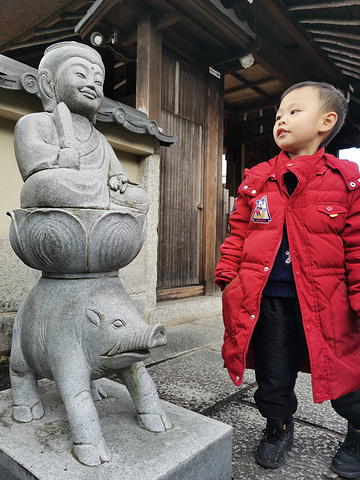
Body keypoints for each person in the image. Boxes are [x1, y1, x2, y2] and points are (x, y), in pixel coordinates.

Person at [214, 81, 360, 478]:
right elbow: (238, 233)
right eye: (279, 113)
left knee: (345, 370)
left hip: (329, 300)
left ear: (326, 122)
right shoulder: (257, 178)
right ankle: (278, 425)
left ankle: (358, 431)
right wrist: (228, 278)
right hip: (269, 298)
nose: (281, 118)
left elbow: (357, 244)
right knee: (273, 373)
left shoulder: (346, 180)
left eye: (294, 111)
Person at [14, 41, 148, 213]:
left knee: (139, 197)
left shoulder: (99, 138)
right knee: (46, 184)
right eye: (81, 75)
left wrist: (117, 178)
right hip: (64, 182)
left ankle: (104, 206)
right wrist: (61, 156)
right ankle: (106, 208)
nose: (92, 85)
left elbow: (115, 171)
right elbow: (30, 160)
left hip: (94, 188)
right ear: (48, 84)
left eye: (98, 82)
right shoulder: (34, 122)